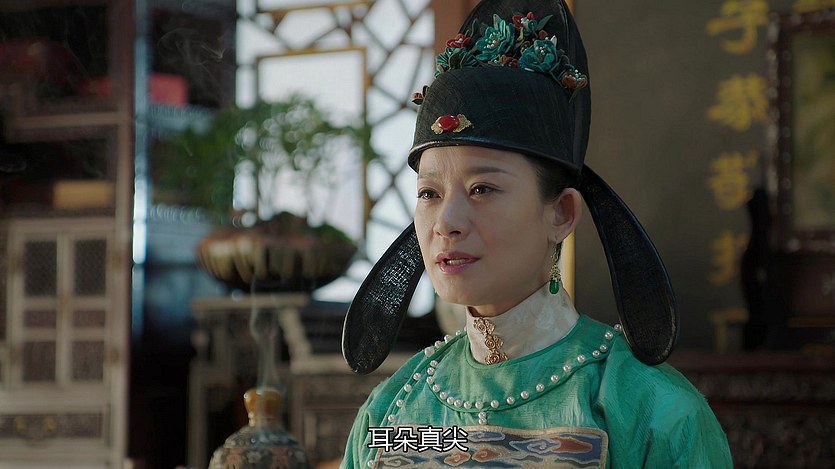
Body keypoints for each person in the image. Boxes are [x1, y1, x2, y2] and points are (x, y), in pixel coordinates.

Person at [340, 0, 733, 467]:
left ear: (562, 213)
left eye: (482, 189)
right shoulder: (392, 410)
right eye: (429, 193)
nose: (445, 222)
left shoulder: (651, 411)